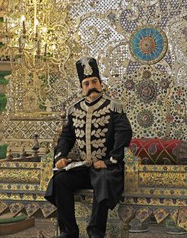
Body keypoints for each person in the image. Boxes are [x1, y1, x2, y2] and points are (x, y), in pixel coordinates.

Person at [44, 57, 133, 238]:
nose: (91, 86)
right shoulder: (74, 109)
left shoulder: (114, 107)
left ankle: (95, 232)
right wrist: (60, 156)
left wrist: (109, 160)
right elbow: (66, 137)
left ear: (100, 83)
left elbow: (124, 134)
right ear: (81, 87)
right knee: (60, 180)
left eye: (94, 82)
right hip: (84, 166)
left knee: (103, 180)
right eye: (86, 83)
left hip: (108, 167)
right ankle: (68, 232)